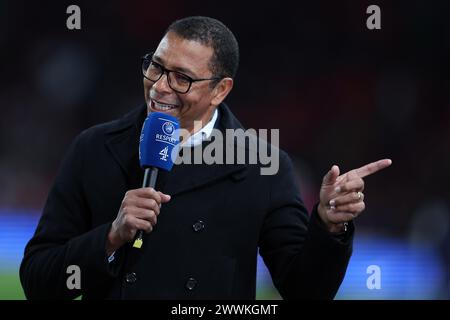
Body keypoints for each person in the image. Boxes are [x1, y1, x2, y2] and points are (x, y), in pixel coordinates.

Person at [20, 16, 391, 300]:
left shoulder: (263, 166)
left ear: (220, 90)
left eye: (182, 78)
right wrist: (110, 238)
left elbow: (305, 291)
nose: (160, 86)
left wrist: (328, 226)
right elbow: (38, 280)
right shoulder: (94, 147)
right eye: (157, 66)